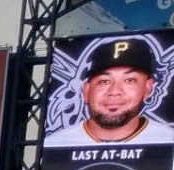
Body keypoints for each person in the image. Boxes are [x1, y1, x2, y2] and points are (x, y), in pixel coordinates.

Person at [45, 36, 174, 147]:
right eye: (104, 81)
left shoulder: (168, 141)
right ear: (86, 91)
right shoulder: (56, 144)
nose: (114, 91)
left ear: (147, 88)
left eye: (129, 80)